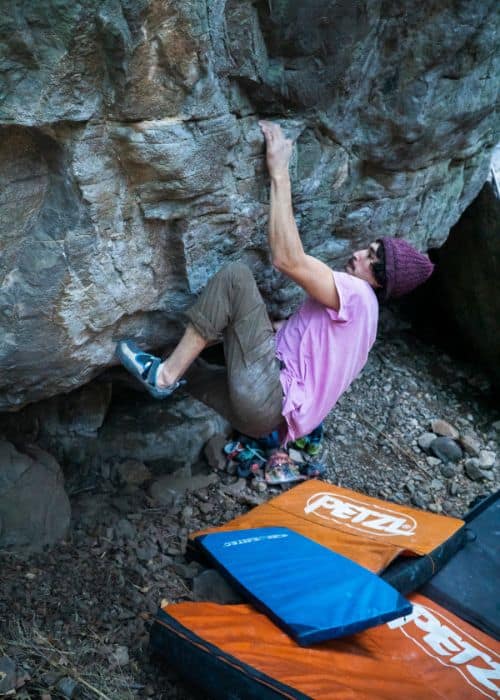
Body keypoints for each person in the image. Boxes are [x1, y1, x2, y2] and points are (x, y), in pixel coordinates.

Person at [116, 121, 434, 444]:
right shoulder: (365, 327)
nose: (360, 255)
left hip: (266, 395)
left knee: (235, 280)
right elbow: (313, 349)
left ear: (381, 285)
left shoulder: (357, 295)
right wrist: (280, 328)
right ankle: (149, 374)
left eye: (372, 262)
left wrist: (279, 171)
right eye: (370, 249)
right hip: (261, 420)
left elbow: (286, 259)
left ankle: (162, 376)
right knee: (188, 364)